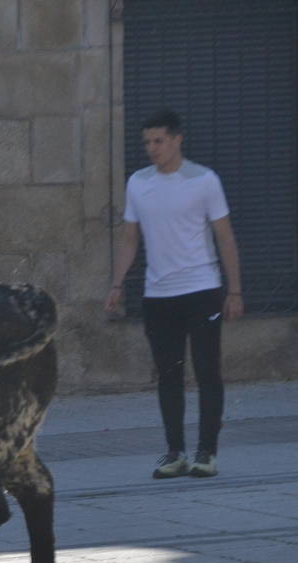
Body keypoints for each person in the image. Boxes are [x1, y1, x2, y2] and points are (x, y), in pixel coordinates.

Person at [106, 108, 244, 479]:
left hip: (201, 290)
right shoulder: (138, 183)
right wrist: (117, 283)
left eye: (159, 141)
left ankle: (206, 452)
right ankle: (174, 452)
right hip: (158, 295)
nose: (152, 148)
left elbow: (224, 237)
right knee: (168, 375)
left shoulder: (204, 181)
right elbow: (130, 238)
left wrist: (235, 291)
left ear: (177, 139)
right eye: (147, 142)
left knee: (207, 371)